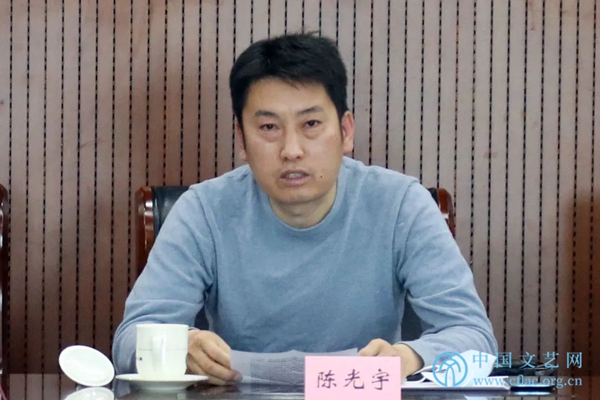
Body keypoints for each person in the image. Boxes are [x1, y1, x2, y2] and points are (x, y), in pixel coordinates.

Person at [112, 32, 497, 385]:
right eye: (269, 128)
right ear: (242, 140)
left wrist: (410, 357)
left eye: (311, 123)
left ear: (346, 131)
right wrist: (184, 346)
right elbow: (130, 339)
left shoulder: (401, 205)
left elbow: (474, 338)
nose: (291, 150)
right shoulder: (203, 211)